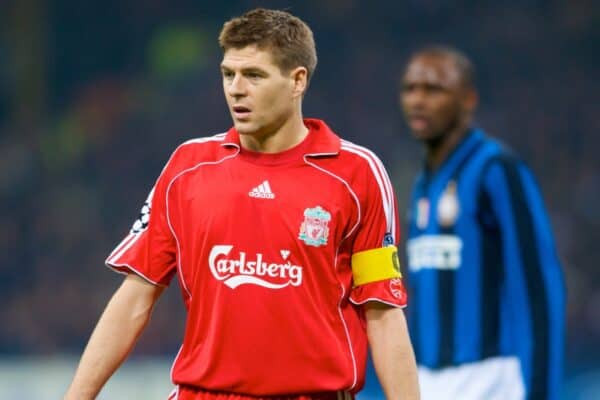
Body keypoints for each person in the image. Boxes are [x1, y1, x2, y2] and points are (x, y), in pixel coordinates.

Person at [64, 8, 419, 400]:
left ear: (297, 80)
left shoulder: (357, 174)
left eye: (254, 75)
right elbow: (135, 296)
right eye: (227, 74)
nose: (236, 88)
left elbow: (383, 312)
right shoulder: (188, 167)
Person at [399, 45, 565, 400]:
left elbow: (538, 288)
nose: (418, 100)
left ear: (468, 99)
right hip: (426, 379)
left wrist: (540, 390)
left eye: (434, 89)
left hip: (489, 377)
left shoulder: (496, 169)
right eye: (410, 88)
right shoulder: (424, 184)